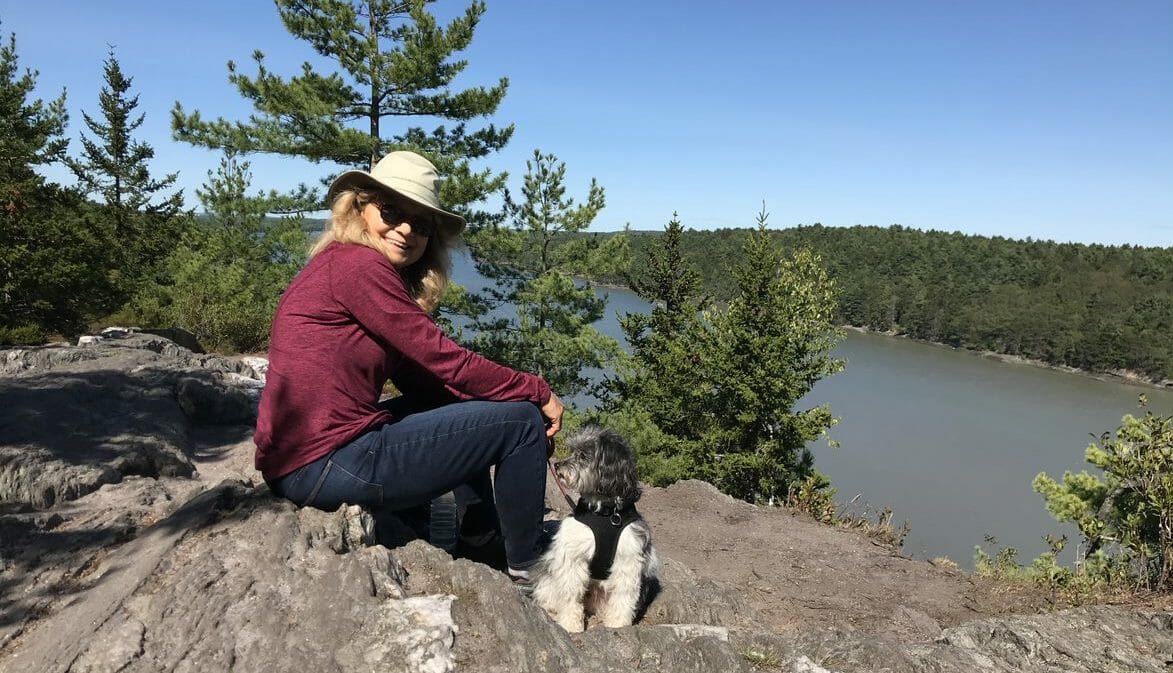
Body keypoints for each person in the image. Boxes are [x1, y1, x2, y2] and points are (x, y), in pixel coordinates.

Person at [254, 150, 564, 585]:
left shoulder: (345, 266)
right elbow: (445, 359)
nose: (405, 229)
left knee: (475, 409)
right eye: (393, 211)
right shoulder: (359, 266)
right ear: (361, 207)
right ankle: (530, 569)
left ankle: (481, 537)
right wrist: (535, 392)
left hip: (309, 459)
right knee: (519, 423)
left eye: (420, 224)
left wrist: (488, 405)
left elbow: (426, 381)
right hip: (323, 464)